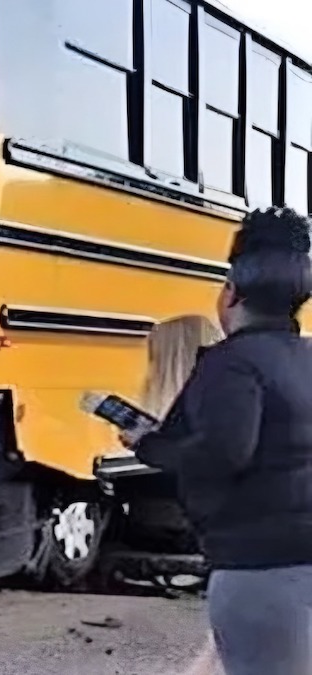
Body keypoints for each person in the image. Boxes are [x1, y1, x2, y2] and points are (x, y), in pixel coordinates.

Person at [127, 206, 312, 675]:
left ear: (230, 293)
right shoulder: (306, 358)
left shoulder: (232, 362)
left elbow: (224, 451)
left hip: (260, 568)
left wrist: (148, 444)